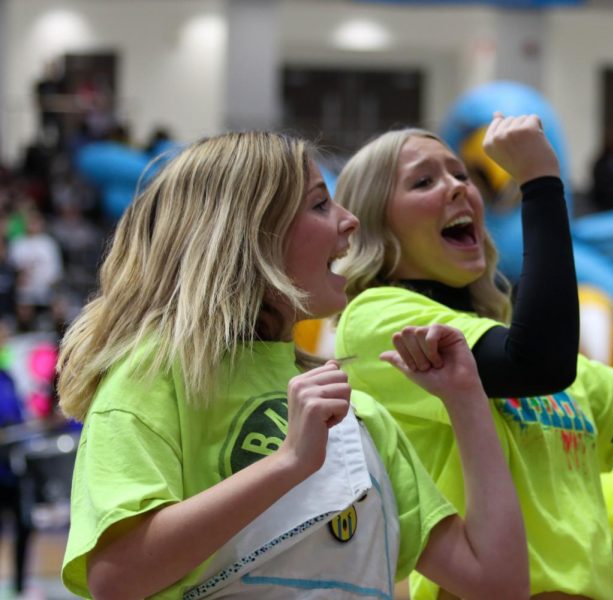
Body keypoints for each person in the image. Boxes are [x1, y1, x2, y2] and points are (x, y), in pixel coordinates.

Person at [57, 131, 528, 599]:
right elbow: (116, 578)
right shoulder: (150, 373)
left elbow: (498, 584)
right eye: (320, 204)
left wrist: (467, 401)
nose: (349, 221)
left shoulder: (357, 411)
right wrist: (287, 464)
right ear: (249, 230)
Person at [334, 113, 613, 598]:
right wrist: (540, 183)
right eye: (424, 181)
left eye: (461, 174)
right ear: (374, 224)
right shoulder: (375, 318)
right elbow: (537, 363)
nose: (456, 188)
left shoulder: (514, 345)